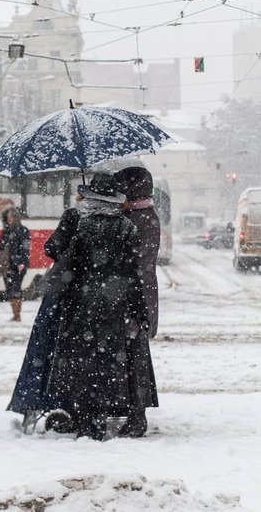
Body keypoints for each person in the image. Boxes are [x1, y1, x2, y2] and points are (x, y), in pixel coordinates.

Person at [46, 173, 157, 440]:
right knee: (106, 364)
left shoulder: (77, 221)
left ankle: (86, 421)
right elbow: (132, 276)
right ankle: (101, 415)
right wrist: (140, 312)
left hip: (79, 305)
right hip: (112, 306)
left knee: (81, 363)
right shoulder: (126, 227)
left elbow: (52, 249)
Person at [6, 196, 82, 432]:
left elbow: (51, 247)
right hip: (92, 298)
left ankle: (41, 401)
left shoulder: (74, 216)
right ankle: (82, 407)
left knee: (48, 348)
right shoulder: (116, 220)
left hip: (62, 293)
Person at [110, 166, 161, 438]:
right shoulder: (145, 214)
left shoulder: (137, 219)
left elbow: (130, 260)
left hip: (134, 298)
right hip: (141, 296)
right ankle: (133, 411)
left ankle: (136, 416)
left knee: (134, 359)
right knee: (133, 357)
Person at [0, 206, 30, 322]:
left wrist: (21, 262)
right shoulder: (5, 231)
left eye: (11, 217)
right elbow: (0, 247)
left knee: (16, 289)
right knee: (10, 290)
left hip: (18, 265)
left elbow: (25, 248)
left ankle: (17, 315)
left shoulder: (23, 230)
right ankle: (15, 314)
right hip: (7, 265)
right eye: (7, 217)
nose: (10, 219)